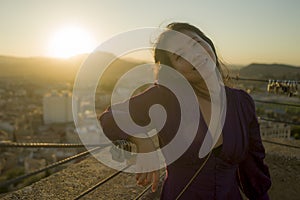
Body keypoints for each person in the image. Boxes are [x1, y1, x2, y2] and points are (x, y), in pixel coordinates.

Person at [99, 22, 271, 200]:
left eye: (196, 43)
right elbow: (110, 117)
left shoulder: (241, 102)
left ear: (209, 44)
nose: (195, 55)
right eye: (180, 55)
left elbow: (253, 165)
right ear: (174, 70)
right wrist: (142, 142)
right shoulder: (164, 97)